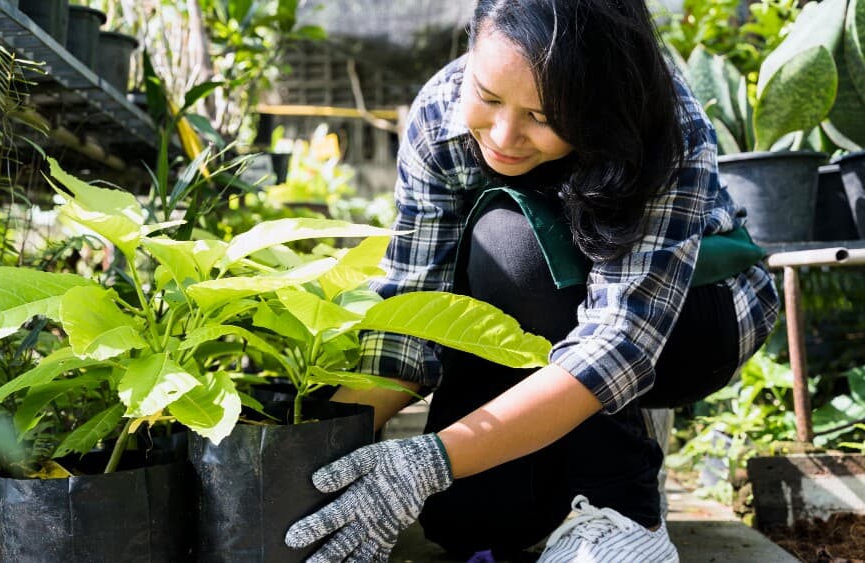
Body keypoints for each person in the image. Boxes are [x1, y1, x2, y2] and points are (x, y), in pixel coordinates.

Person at [285, 0, 780, 561]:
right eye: (488, 97)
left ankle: (624, 507)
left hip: (689, 320)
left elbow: (618, 344)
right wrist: (308, 454)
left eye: (542, 118)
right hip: (535, 322)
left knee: (511, 240)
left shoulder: (663, 120)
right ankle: (586, 457)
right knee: (464, 522)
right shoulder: (438, 116)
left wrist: (431, 460)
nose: (503, 135)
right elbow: (411, 318)